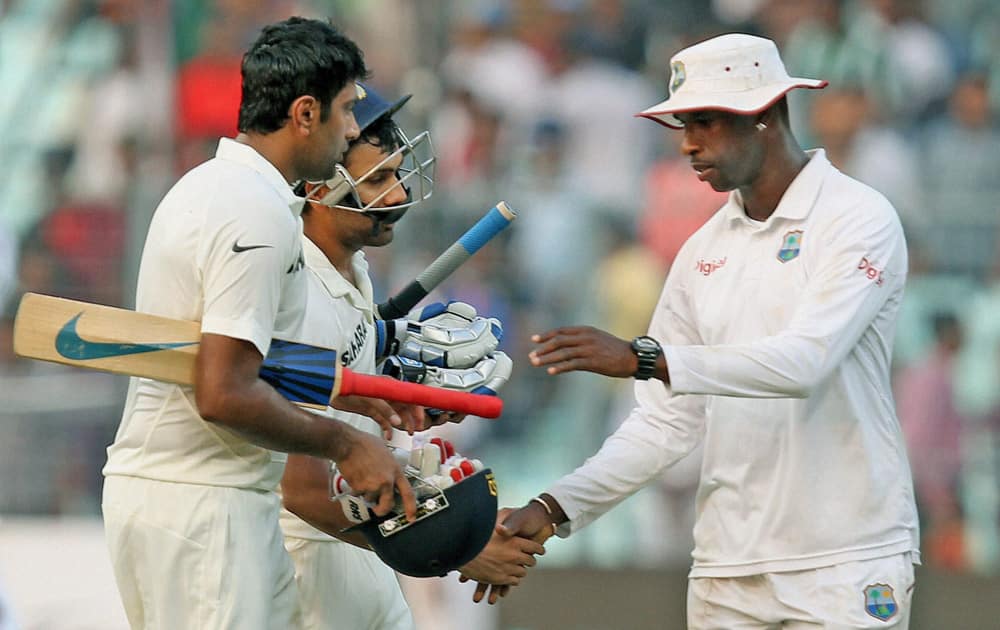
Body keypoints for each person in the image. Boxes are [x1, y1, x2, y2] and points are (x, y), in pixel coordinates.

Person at [494, 33, 920, 628]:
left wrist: (648, 358)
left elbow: (804, 362)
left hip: (844, 558)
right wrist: (555, 505)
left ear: (767, 114)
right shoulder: (704, 252)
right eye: (682, 125)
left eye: (706, 121)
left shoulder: (859, 218)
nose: (689, 144)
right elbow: (668, 421)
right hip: (728, 568)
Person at [101, 18, 416, 630]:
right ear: (305, 113)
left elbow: (260, 364)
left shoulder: (231, 191)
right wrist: (345, 443)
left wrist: (363, 397)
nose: (355, 128)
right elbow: (223, 392)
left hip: (213, 498)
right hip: (199, 501)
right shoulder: (251, 210)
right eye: (347, 110)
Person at [280, 84, 539, 629]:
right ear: (315, 185)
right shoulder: (296, 286)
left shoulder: (353, 270)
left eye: (397, 174)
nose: (398, 195)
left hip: (356, 566)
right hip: (305, 575)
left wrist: (403, 404)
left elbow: (348, 412)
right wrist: (456, 551)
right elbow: (299, 488)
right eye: (378, 179)